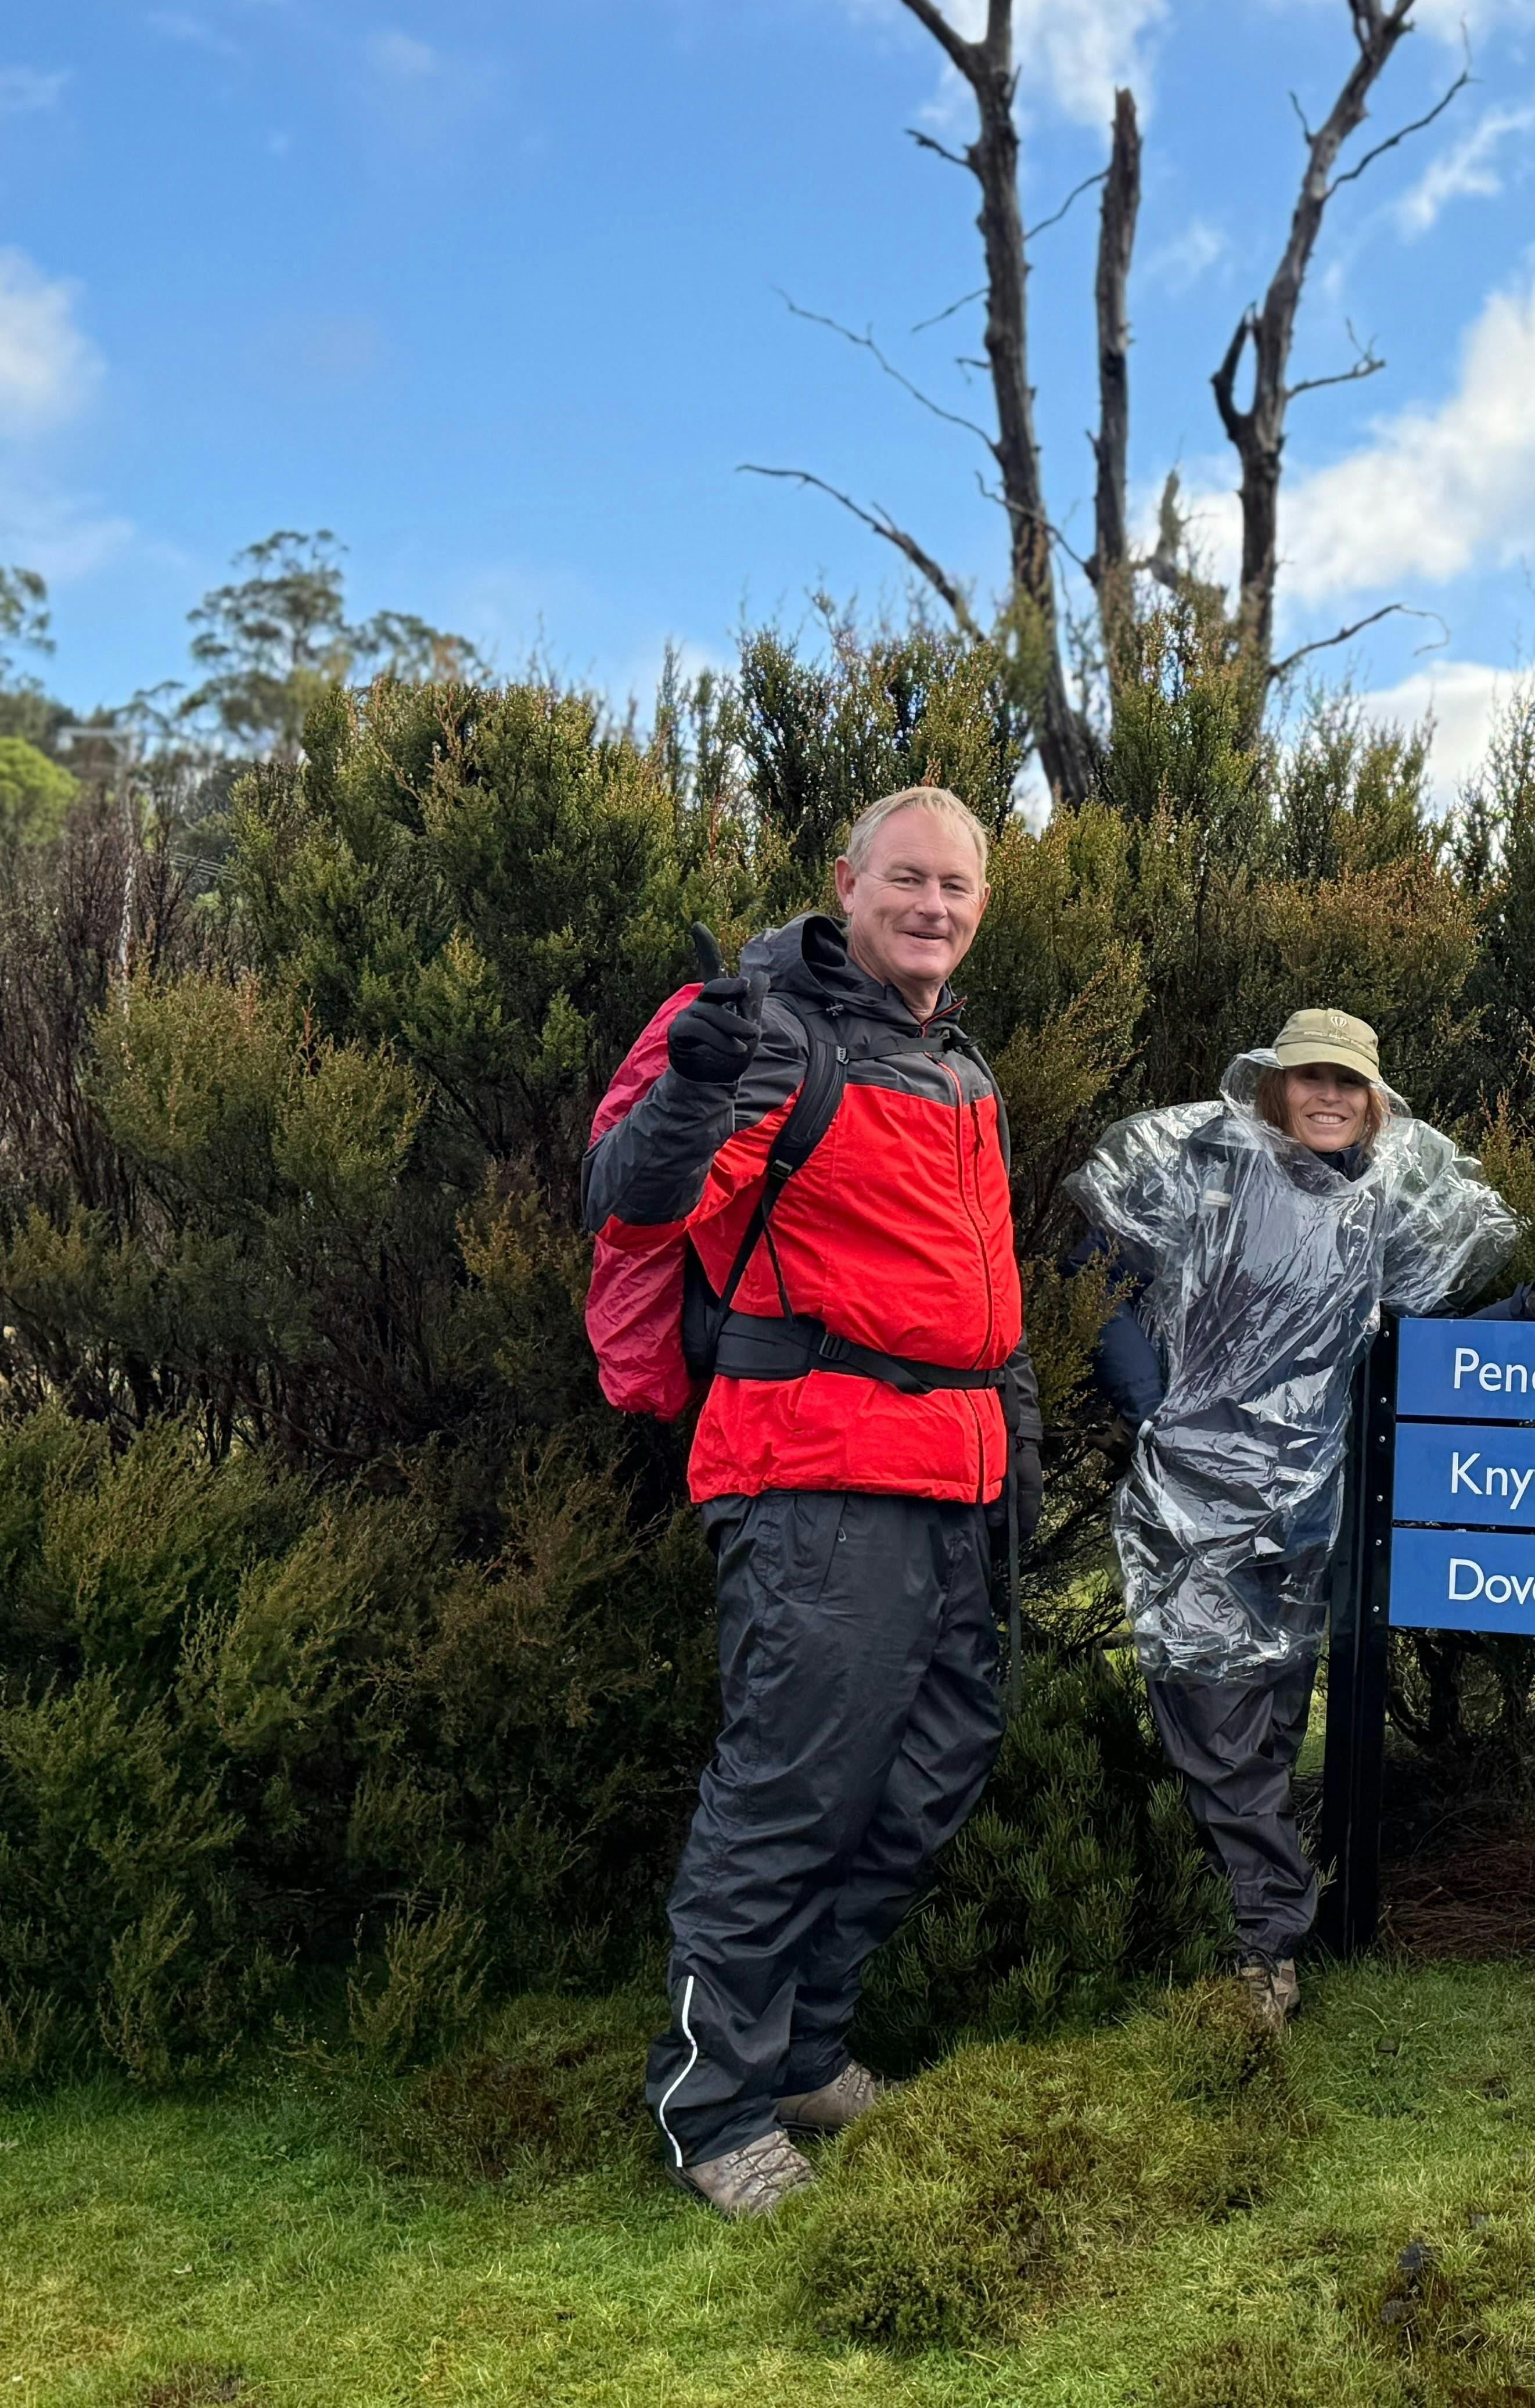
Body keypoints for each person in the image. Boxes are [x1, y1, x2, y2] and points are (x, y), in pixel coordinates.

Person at [584, 785, 1039, 2219]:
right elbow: (638, 1200)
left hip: (955, 1478)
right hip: (816, 1472)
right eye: (907, 880)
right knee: (791, 1795)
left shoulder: (954, 1064)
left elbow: (983, 1307)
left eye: (958, 888)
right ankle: (712, 2108)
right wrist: (690, 1088)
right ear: (846, 883)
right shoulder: (769, 1032)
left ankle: (802, 2051)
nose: (934, 908)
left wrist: (1016, 1463)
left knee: (927, 1778)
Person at [1068, 1009, 1516, 2027]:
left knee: (1268, 1713)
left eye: (1349, 1084)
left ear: (1375, 1104)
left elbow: (1430, 1331)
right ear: (1272, 1084)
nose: (1329, 1097)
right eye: (1311, 1077)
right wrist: (1153, 1407)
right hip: (1196, 1494)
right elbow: (1094, 1276)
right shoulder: (1203, 1167)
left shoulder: (1384, 1200)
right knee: (1216, 1710)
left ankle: (1236, 1913)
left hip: (1311, 1506)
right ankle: (1269, 1943)